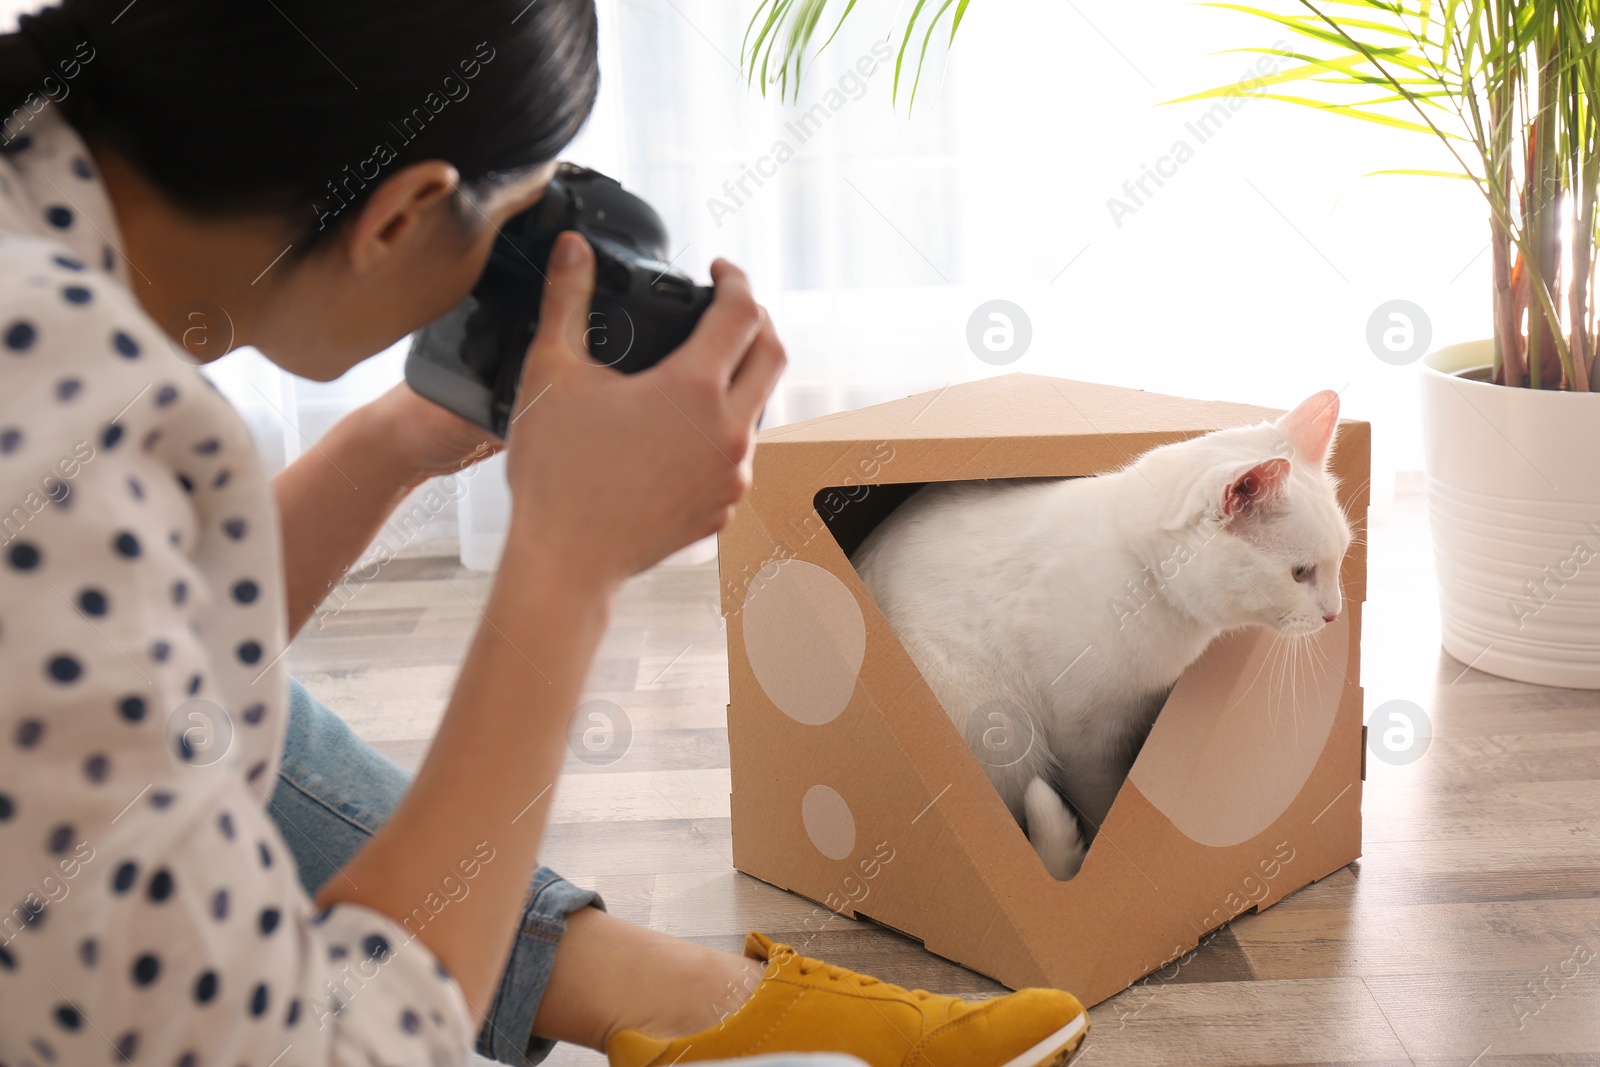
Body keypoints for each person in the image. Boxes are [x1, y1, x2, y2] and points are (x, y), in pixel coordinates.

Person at [0, 2, 1090, 1065]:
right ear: (398, 215)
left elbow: (119, 649)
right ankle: (688, 1004)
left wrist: (397, 439)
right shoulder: (81, 403)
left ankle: (661, 992)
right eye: (513, 216)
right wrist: (568, 562)